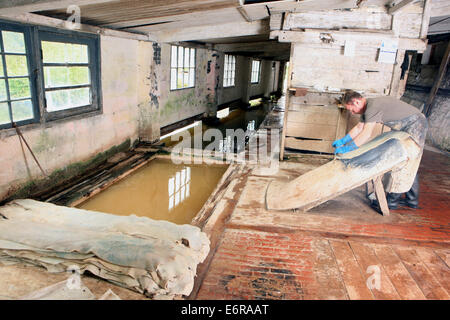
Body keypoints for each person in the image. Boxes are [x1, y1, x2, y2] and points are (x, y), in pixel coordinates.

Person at [332, 90, 428, 210]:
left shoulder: (372, 107)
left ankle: (391, 203)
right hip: (409, 124)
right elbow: (359, 128)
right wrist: (343, 141)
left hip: (415, 124)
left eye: (351, 109)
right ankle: (412, 200)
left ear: (356, 102)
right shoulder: (368, 107)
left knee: (404, 161)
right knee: (410, 163)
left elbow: (366, 133)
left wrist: (349, 149)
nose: (352, 112)